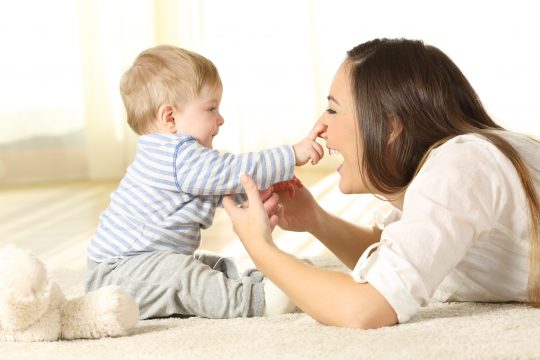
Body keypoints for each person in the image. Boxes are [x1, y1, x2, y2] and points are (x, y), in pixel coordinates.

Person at [222, 38, 540, 329]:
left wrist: (260, 248)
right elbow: (400, 257)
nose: (320, 126)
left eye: (333, 109)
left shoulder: (459, 167)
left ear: (390, 126)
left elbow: (368, 308)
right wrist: (315, 219)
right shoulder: (454, 167)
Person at [85, 45, 324, 319]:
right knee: (184, 275)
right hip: (116, 275)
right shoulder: (174, 155)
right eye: (211, 109)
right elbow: (229, 172)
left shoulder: (183, 159)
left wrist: (259, 191)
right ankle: (256, 301)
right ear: (170, 117)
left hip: (135, 266)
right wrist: (290, 155)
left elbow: (220, 187)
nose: (220, 119)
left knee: (207, 265)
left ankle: (269, 281)